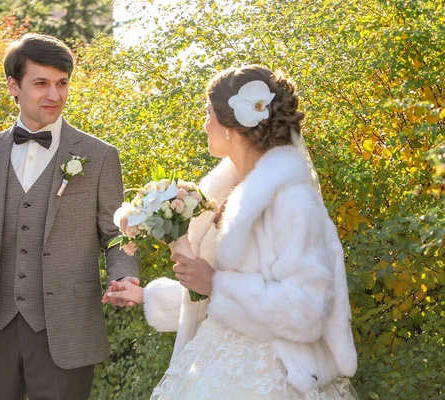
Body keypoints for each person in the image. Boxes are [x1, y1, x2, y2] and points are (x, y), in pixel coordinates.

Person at [104, 65, 358, 399]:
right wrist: (148, 296)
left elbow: (307, 311)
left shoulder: (291, 199)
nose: (204, 124)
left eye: (208, 114)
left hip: (271, 375)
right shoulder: (225, 193)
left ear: (231, 126)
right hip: (212, 359)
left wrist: (217, 284)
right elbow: (213, 293)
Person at [0, 33, 140, 400]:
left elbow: (116, 234)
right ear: (13, 86)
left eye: (62, 83)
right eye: (41, 83)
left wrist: (125, 275)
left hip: (65, 331)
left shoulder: (98, 156)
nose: (55, 95)